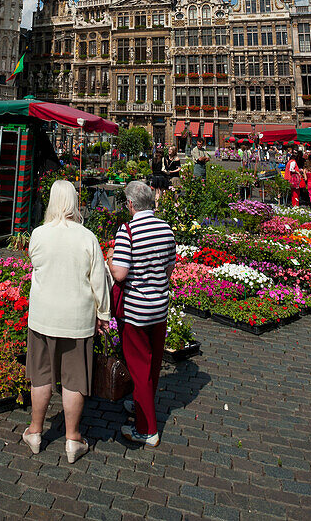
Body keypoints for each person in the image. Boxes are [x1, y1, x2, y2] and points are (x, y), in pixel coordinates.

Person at [23, 179, 110, 463]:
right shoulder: (87, 237)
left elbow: (34, 262)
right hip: (76, 319)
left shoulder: (39, 234)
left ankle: (35, 432)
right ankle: (73, 439)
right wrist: (103, 314)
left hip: (43, 317)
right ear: (74, 202)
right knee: (74, 380)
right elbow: (99, 282)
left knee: (41, 375)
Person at [108, 181, 177, 448]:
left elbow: (120, 274)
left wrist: (111, 258)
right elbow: (169, 268)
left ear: (131, 204)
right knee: (152, 365)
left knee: (138, 367)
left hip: (136, 311)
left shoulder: (128, 230)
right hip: (159, 309)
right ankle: (140, 404)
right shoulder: (165, 228)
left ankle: (146, 429)